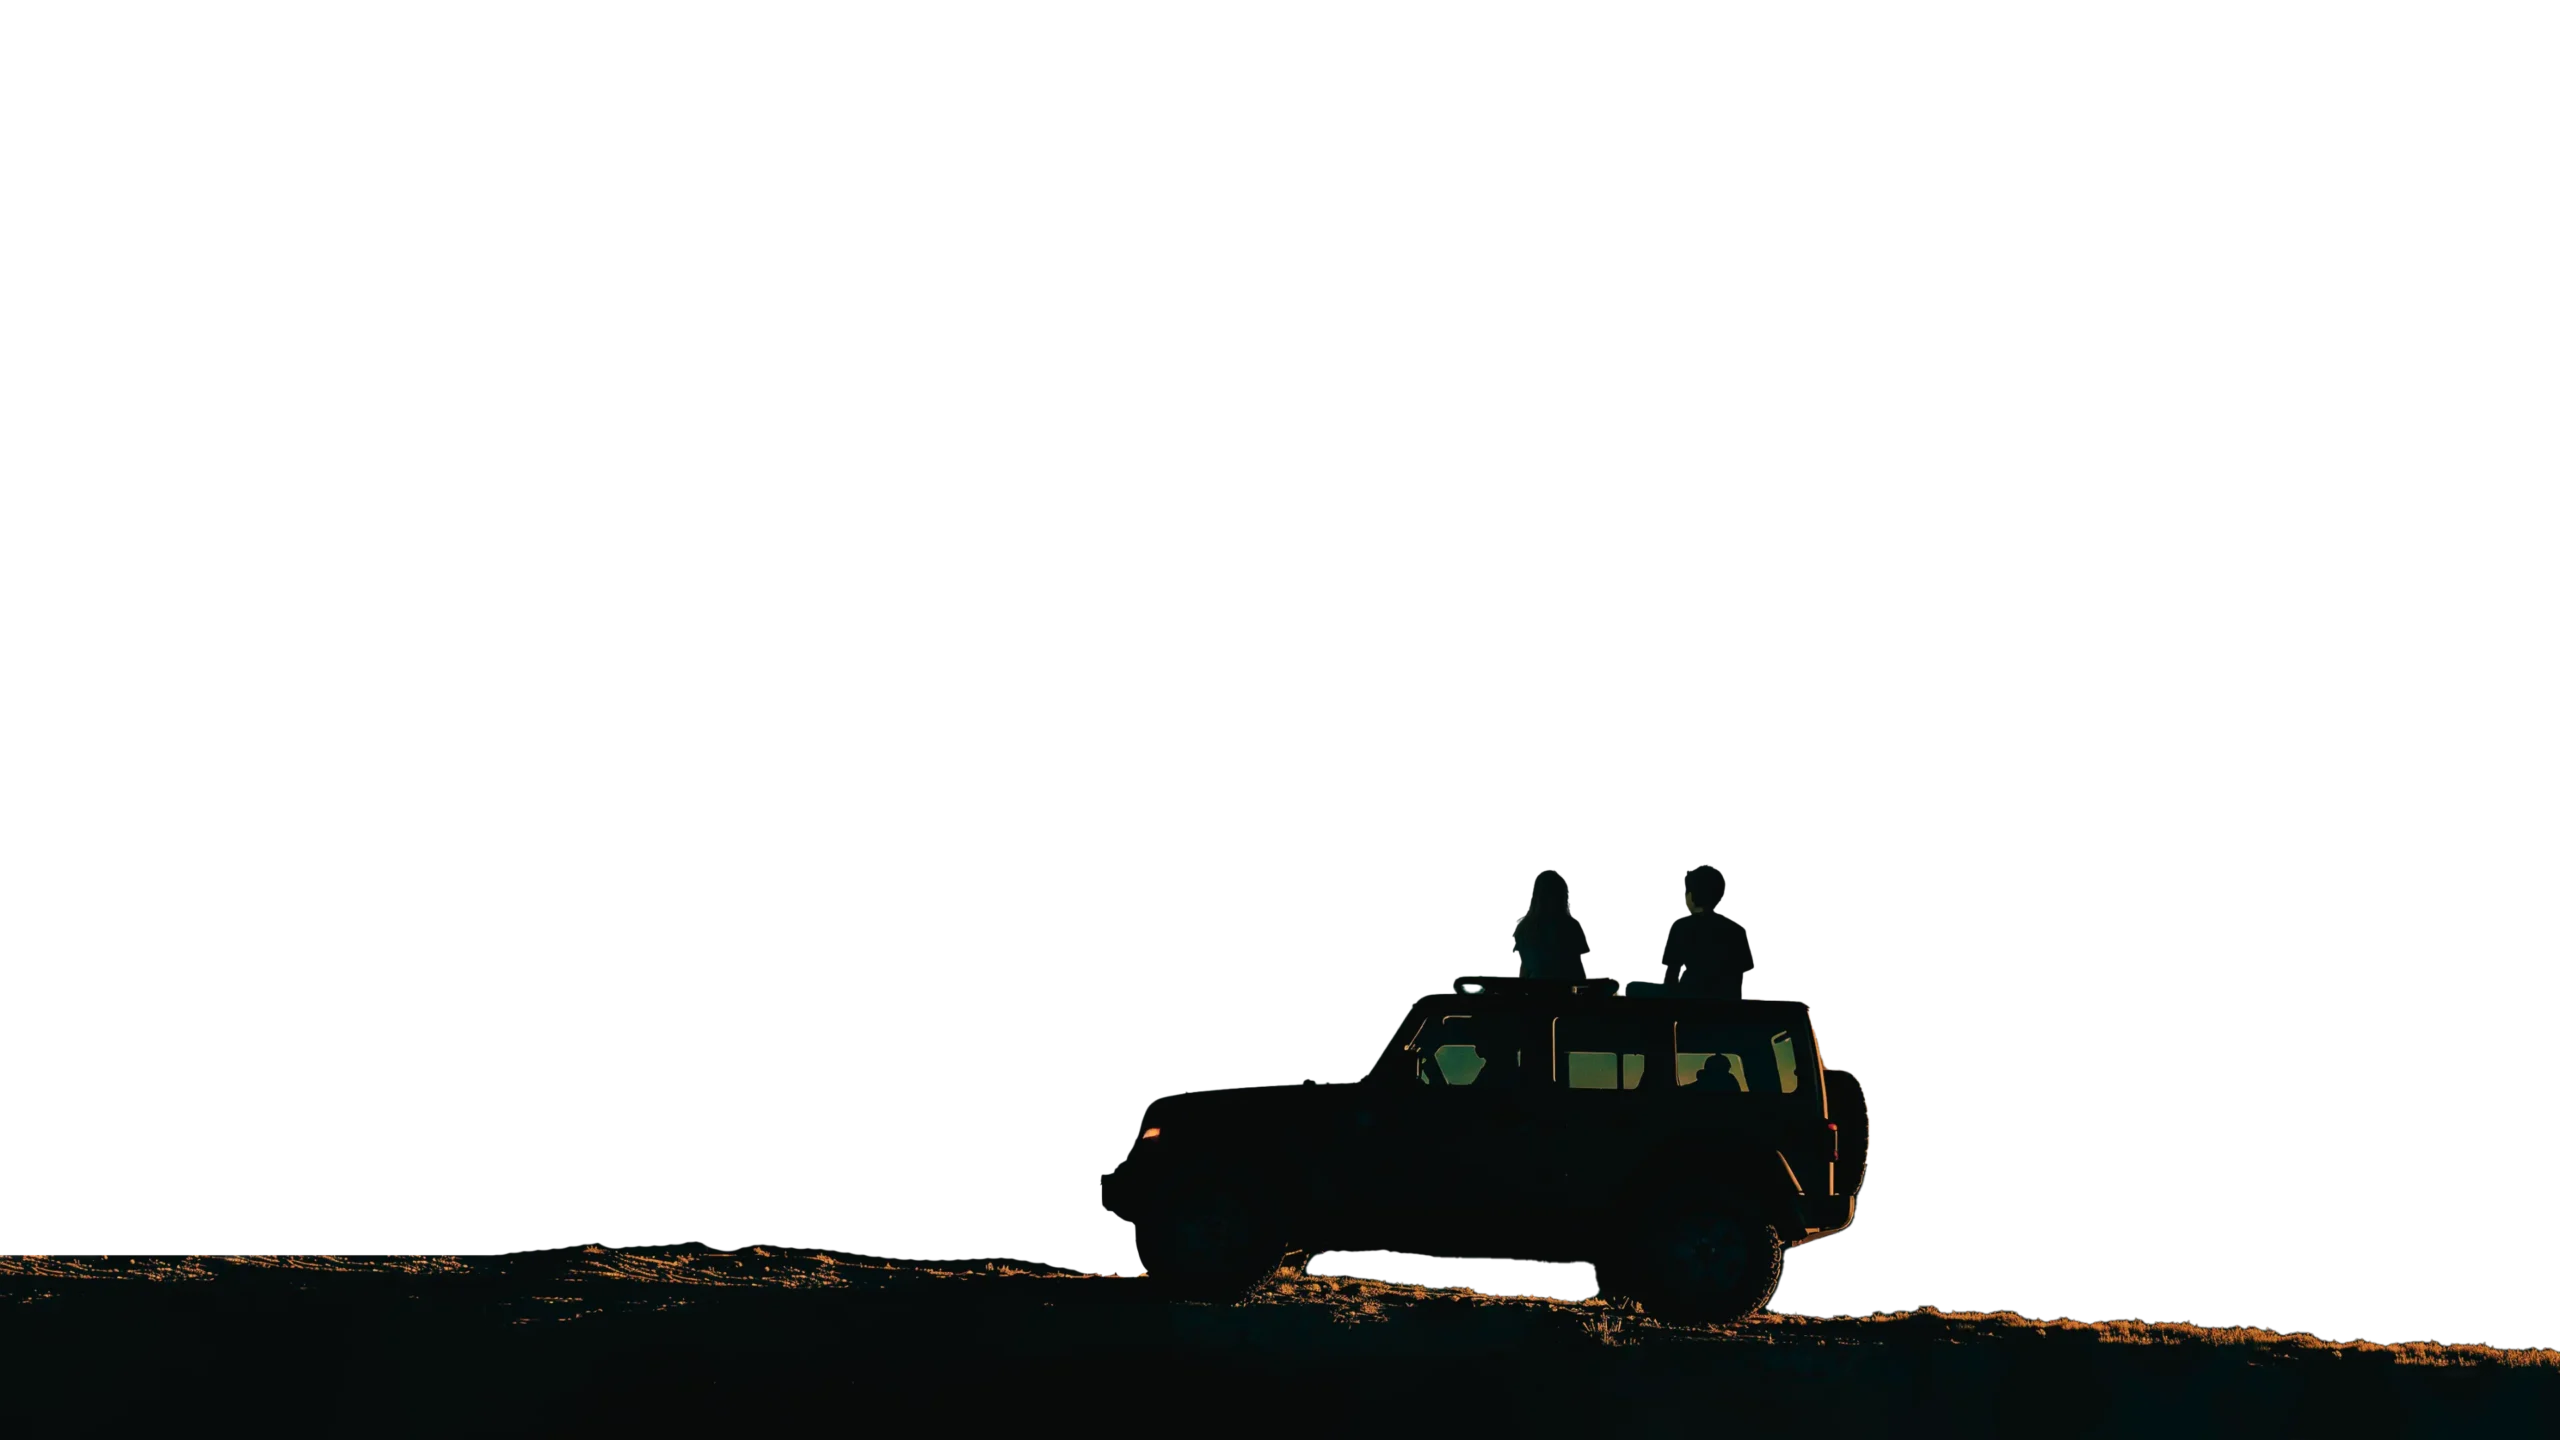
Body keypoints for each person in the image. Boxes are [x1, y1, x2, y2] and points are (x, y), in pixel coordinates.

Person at [1657, 861, 1761, 1000]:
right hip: (1726, 1005)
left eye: (1685, 892)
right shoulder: (1735, 929)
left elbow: (1670, 970)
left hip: (1687, 1003)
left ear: (1692, 894)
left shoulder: (1679, 928)